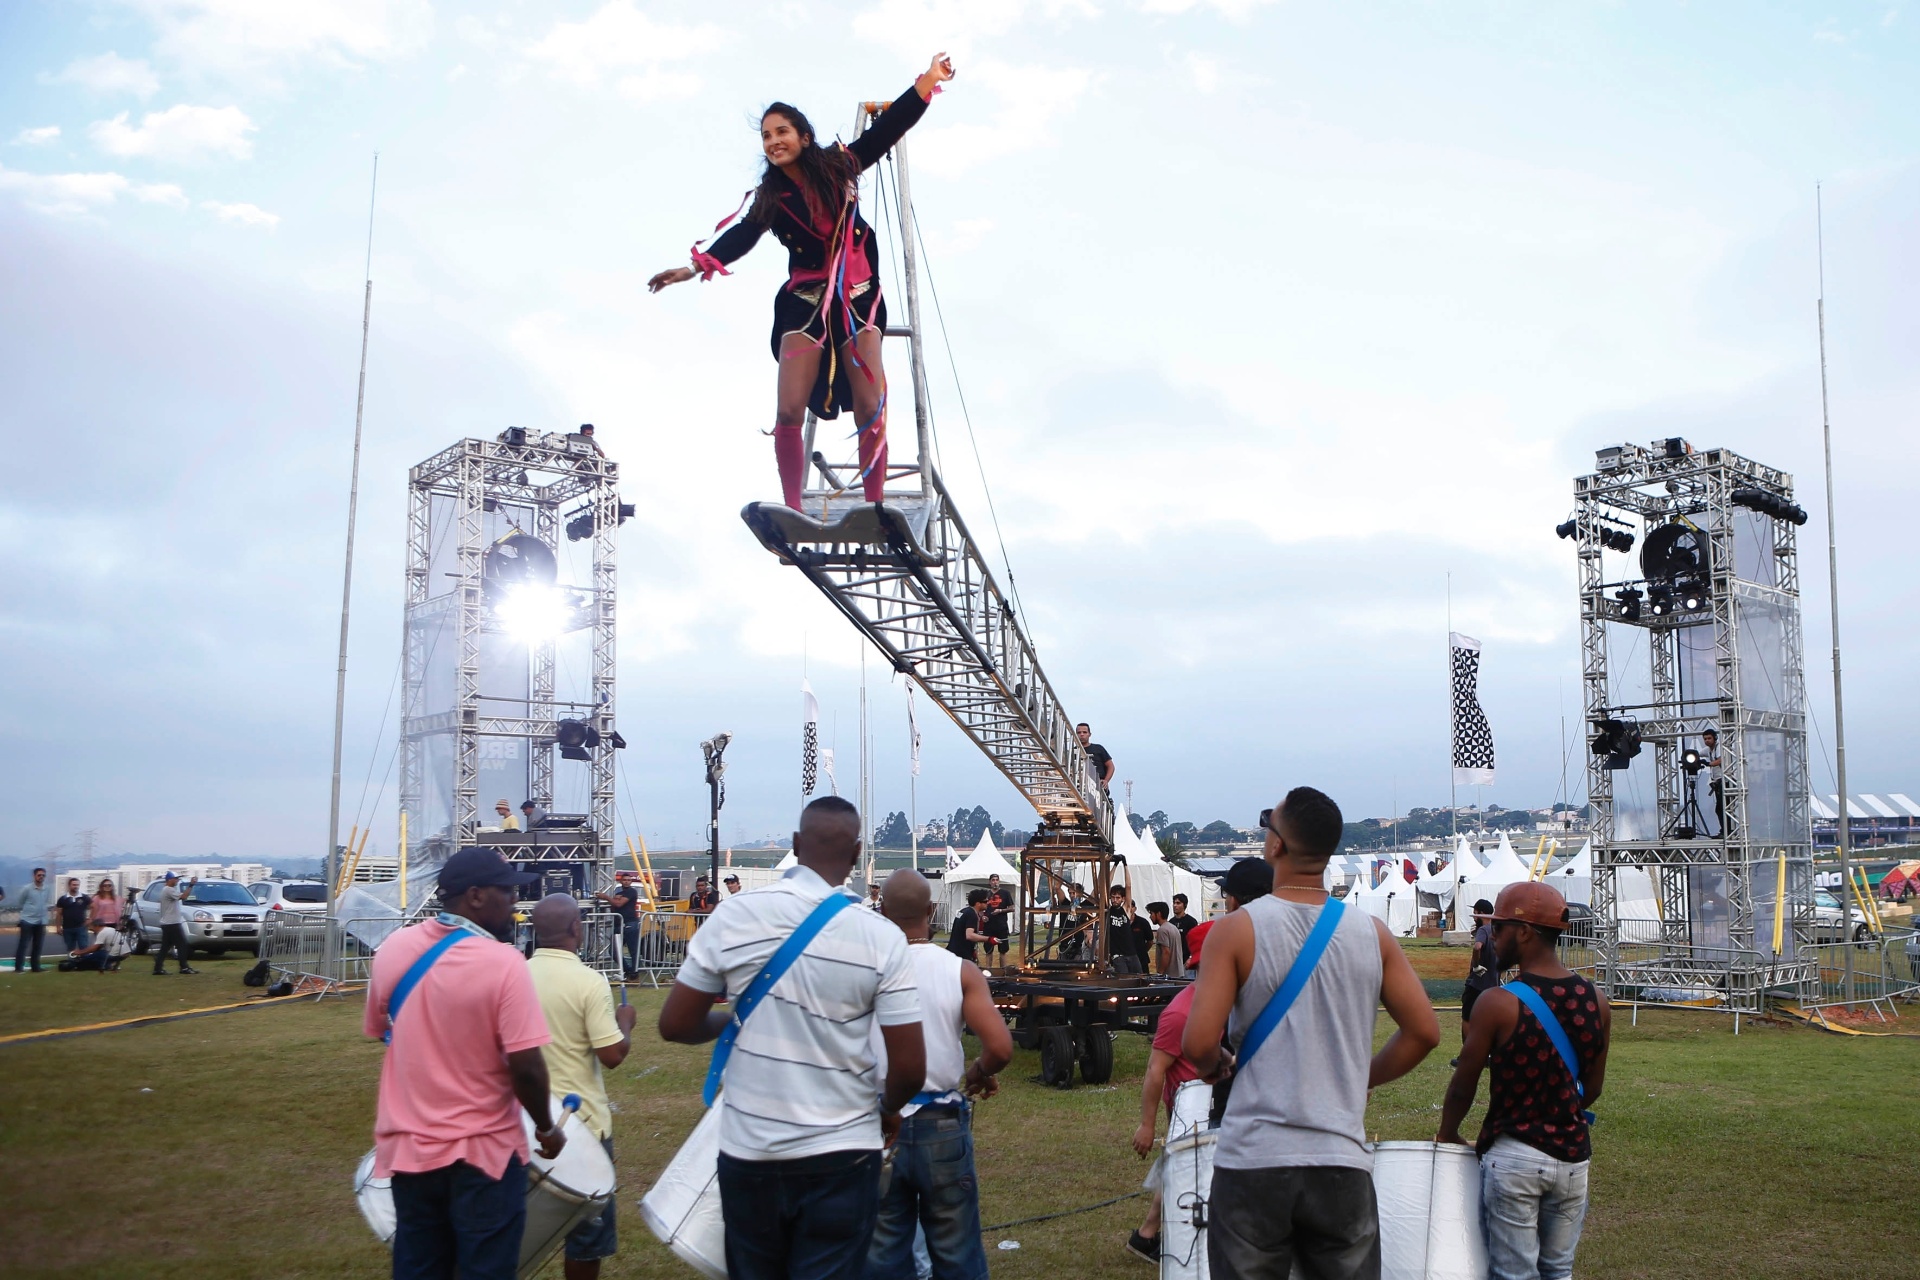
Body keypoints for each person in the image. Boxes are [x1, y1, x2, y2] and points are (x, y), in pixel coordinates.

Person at [647, 54, 957, 510]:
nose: (774, 142)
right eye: (767, 136)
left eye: (782, 132)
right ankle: (793, 509)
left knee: (871, 403)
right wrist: (694, 267)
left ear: (804, 137)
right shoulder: (772, 196)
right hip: (804, 301)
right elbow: (744, 233)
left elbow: (886, 131)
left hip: (856, 297)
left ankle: (874, 507)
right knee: (788, 409)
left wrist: (928, 80)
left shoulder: (839, 165)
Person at [659, 796, 925, 1280]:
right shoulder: (880, 937)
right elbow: (909, 1068)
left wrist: (738, 1021)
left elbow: (676, 1024)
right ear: (856, 853)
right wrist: (886, 1109)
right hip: (843, 1151)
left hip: (750, 1150)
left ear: (797, 844)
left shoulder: (735, 916)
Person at [1184, 787, 1441, 1280]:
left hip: (1253, 1160)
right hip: (1341, 1159)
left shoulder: (1235, 930)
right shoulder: (1373, 933)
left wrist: (1214, 1064)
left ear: (1276, 846)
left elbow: (1197, 1044)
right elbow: (1424, 1032)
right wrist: (1360, 1074)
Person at [365, 848, 563, 1280]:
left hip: (411, 1150)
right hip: (483, 1154)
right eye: (507, 892)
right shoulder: (505, 962)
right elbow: (526, 1066)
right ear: (474, 896)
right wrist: (546, 1128)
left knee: (419, 1265)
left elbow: (380, 1028)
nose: (515, 902)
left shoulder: (394, 948)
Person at [1437, 882, 1611, 1280]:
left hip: (1514, 1157)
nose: (1492, 937)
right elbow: (1594, 1088)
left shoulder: (1497, 1002)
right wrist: (1558, 1108)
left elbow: (1464, 1083)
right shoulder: (1595, 998)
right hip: (1573, 1159)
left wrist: (1448, 1132)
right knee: (1558, 1271)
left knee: (1513, 1273)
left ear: (1525, 931)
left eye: (1499, 929)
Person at [864, 869, 1013, 1280]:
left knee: (882, 1253)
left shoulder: (867, 972)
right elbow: (1000, 1047)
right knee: (957, 1250)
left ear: (883, 911)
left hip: (877, 1123)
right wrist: (980, 1071)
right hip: (941, 1124)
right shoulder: (960, 971)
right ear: (931, 910)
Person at [529, 894, 638, 1280]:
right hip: (583, 1125)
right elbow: (612, 1055)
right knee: (586, 1237)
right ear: (576, 929)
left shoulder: (515, 975)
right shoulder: (589, 982)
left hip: (526, 1121)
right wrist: (626, 1021)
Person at [1128, 917, 1216, 1264]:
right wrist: (1147, 1125)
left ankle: (1147, 1234)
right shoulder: (1181, 1012)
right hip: (1192, 1107)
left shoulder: (1228, 1001)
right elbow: (1155, 1071)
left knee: (1186, 1167)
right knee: (1187, 1168)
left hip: (1214, 1103)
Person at [1460, 898, 1499, 1053]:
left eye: (1475, 912)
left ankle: (1468, 1055)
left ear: (1481, 913)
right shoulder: (1497, 930)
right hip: (1493, 984)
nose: (1474, 916)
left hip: (1476, 984)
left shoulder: (1483, 930)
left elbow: (1477, 947)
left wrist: (1476, 966)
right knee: (1488, 1021)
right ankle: (1488, 1054)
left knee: (1468, 1018)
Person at [151, 872, 199, 976]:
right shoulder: (169, 890)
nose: (177, 880)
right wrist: (191, 885)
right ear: (169, 880)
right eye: (175, 878)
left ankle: (158, 968)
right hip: (172, 923)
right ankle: (184, 967)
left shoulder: (167, 890)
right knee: (182, 944)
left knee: (165, 947)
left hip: (167, 923)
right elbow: (184, 896)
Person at [595, 874, 642, 979]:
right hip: (619, 924)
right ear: (621, 881)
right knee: (613, 950)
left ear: (631, 882)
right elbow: (615, 907)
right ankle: (628, 971)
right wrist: (613, 900)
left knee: (633, 950)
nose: (626, 882)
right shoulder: (619, 893)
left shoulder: (631, 891)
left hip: (630, 924)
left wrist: (606, 897)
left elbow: (619, 904)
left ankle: (634, 974)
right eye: (624, 880)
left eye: (629, 880)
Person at [12, 867, 51, 973]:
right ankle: (19, 968)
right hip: (28, 920)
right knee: (23, 945)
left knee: (38, 945)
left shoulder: (46, 889)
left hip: (41, 920)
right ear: (34, 876)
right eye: (39, 875)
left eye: (43, 875)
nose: (41, 877)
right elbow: (21, 901)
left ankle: (35, 967)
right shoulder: (27, 889)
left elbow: (46, 902)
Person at [60, 921, 131, 972]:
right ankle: (109, 964)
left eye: (92, 929)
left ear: (97, 926)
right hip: (125, 954)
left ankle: (75, 964)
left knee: (97, 955)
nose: (93, 931)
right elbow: (99, 947)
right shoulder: (111, 929)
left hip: (115, 955)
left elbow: (95, 948)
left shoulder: (102, 932)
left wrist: (80, 952)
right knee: (97, 956)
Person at [947, 889, 992, 964]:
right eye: (985, 902)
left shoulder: (964, 911)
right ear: (978, 904)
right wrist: (989, 939)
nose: (987, 903)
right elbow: (969, 935)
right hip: (961, 956)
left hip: (954, 952)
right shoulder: (971, 915)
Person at [1104, 885, 1140, 974]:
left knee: (1139, 977)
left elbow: (1128, 887)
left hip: (1131, 953)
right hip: (1118, 955)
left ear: (1122, 899)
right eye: (1113, 897)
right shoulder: (1107, 910)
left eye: (1117, 898)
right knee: (1123, 980)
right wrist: (1113, 870)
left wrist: (1126, 870)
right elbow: (1104, 887)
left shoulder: (1125, 909)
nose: (1115, 900)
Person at [1146, 902, 1186, 979]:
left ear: (1158, 914)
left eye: (1151, 913)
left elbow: (1166, 952)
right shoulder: (1173, 927)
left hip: (1169, 976)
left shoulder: (1162, 930)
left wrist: (1160, 973)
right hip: (1179, 973)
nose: (1150, 917)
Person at [982, 873, 1013, 964]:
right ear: (990, 882)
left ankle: (1003, 972)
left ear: (999, 881)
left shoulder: (1005, 893)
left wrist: (1000, 911)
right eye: (993, 880)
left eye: (996, 880)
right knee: (988, 951)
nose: (995, 882)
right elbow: (979, 908)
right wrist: (982, 916)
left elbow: (1012, 908)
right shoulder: (986, 894)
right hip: (988, 926)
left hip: (1001, 926)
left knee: (1003, 951)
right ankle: (988, 973)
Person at [1076, 723, 1115, 789]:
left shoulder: (1098, 749)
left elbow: (1111, 766)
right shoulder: (1072, 751)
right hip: (1079, 786)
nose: (1082, 734)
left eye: (1084, 732)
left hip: (1098, 787)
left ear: (1089, 734)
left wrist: (1106, 780)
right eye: (1079, 732)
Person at [1169, 893, 1199, 965]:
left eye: (1178, 903)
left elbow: (1196, 941)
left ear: (1184, 905)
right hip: (1174, 961)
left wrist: (1191, 957)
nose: (1175, 905)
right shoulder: (1171, 922)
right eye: (1174, 903)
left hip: (1186, 961)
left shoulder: (1191, 921)